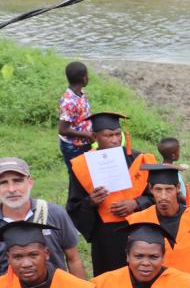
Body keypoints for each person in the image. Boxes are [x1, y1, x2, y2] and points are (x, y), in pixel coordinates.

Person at [65, 111, 157, 275]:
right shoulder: (82, 166)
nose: (115, 140)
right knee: (110, 279)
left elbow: (157, 196)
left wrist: (136, 203)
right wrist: (90, 201)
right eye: (108, 135)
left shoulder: (139, 159)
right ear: (95, 136)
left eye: (117, 134)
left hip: (138, 230)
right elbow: (74, 206)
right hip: (106, 237)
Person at [127, 163, 190, 283]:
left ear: (178, 188)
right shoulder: (138, 222)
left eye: (169, 189)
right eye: (158, 189)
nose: (163, 196)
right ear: (150, 189)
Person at [0, 157, 86, 278]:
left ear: (30, 182)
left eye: (17, 181)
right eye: (3, 183)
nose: (12, 189)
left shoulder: (54, 214)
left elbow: (73, 258)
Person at [57, 61, 92, 163]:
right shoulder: (69, 102)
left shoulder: (81, 93)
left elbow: (83, 115)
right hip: (73, 147)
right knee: (75, 171)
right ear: (84, 79)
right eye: (87, 75)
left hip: (84, 143)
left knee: (86, 170)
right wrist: (88, 135)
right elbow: (63, 130)